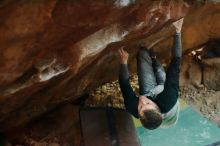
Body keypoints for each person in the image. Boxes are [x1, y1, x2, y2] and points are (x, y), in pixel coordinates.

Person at [118, 18, 184, 130]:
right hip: (164, 97)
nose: (142, 101)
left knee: (142, 54)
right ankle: (154, 59)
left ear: (138, 114)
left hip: (151, 93)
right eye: (147, 104)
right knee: (160, 74)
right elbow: (175, 62)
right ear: (156, 107)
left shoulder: (132, 107)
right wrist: (178, 31)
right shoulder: (169, 99)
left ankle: (148, 54)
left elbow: (124, 84)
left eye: (140, 107)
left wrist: (123, 63)